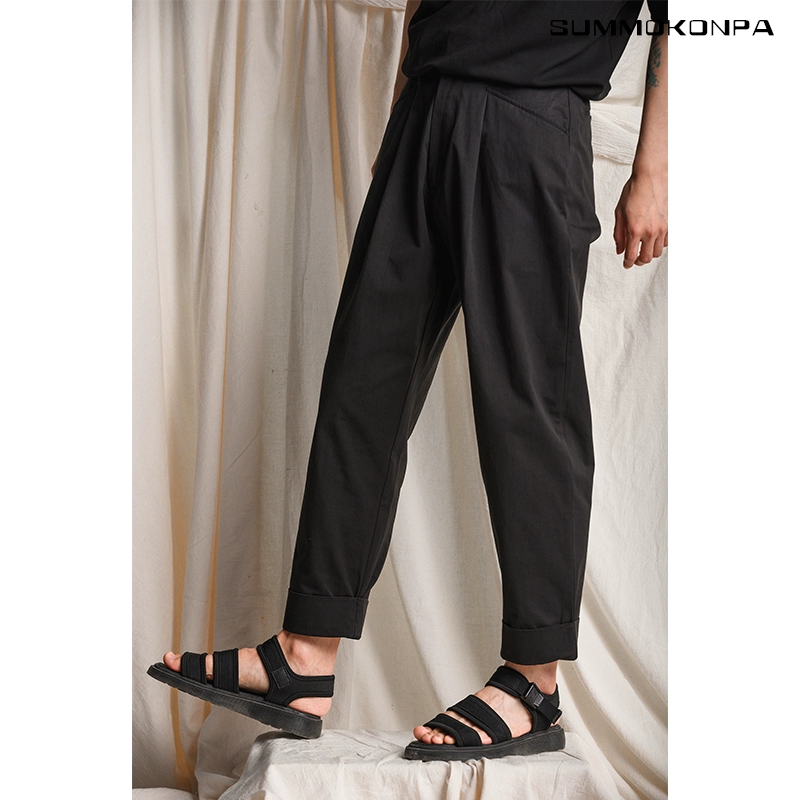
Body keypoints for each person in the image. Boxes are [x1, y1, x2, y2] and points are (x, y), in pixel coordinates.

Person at [148, 0, 668, 762]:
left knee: (529, 405)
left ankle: (534, 680)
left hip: (533, 117)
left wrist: (655, 167)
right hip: (428, 102)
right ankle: (305, 654)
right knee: (364, 383)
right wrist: (404, 98)